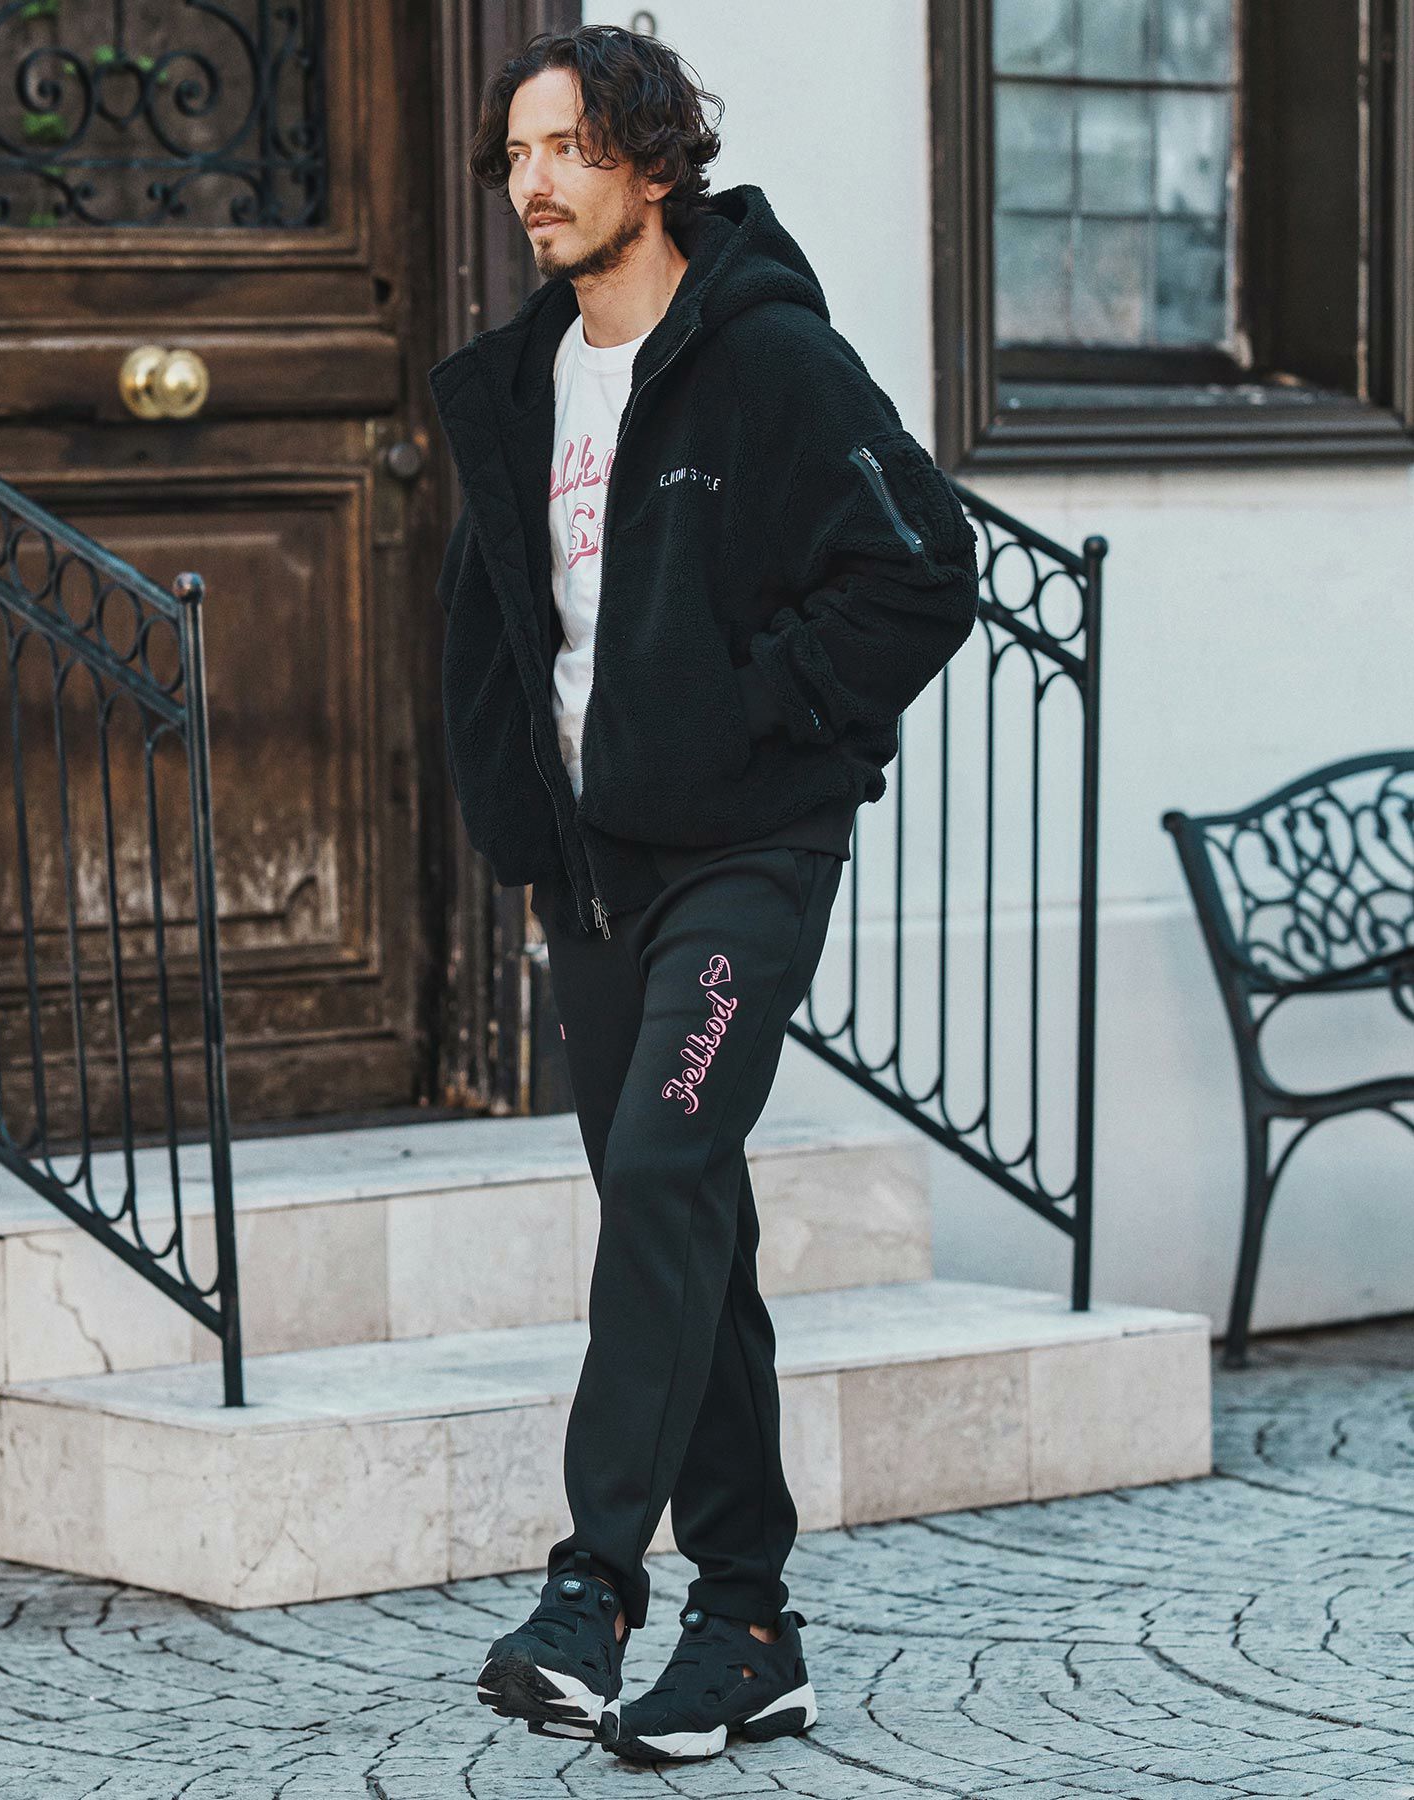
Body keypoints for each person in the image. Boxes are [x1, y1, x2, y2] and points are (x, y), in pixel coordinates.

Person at [426, 23, 978, 1766]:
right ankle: (748, 1628)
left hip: (746, 849)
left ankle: (592, 1584)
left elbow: (923, 574)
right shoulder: (524, 385)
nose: (533, 185)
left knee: (666, 1165)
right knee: (688, 1216)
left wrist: (748, 723)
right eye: (518, 154)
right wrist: (522, 817)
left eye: (570, 148)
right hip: (596, 872)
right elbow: (503, 632)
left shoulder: (768, 360)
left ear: (654, 163)